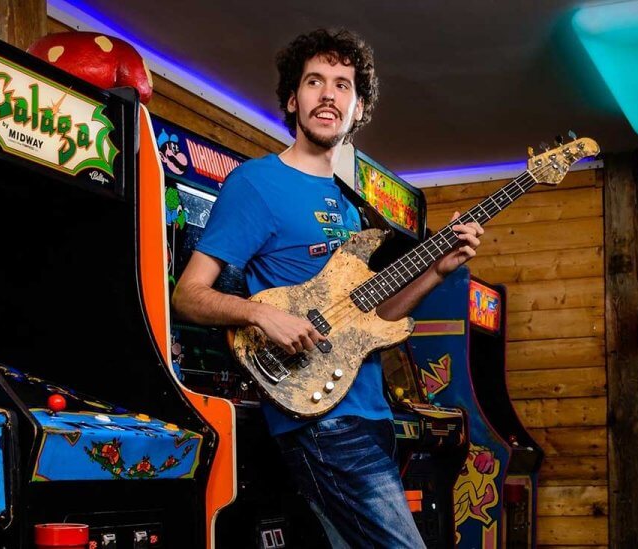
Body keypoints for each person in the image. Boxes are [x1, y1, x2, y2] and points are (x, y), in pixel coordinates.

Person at [172, 28, 484, 548]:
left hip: (371, 413)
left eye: (343, 85)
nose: (328, 95)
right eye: (315, 81)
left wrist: (438, 269)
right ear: (293, 100)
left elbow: (376, 319)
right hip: (321, 419)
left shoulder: (351, 206)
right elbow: (187, 295)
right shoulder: (257, 183)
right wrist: (260, 314)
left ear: (358, 109)